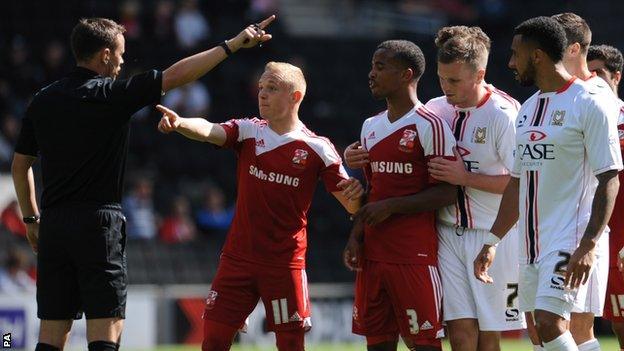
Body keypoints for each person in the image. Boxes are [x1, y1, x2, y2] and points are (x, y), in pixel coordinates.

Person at [11, 15, 276, 351]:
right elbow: (177, 75)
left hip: (54, 226)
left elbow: (21, 167)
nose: (123, 61)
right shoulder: (113, 94)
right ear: (105, 54)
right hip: (97, 224)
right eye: (120, 53)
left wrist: (32, 220)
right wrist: (232, 45)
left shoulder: (42, 100)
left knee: (50, 334)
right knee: (106, 331)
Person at [156, 61, 364, 351]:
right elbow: (208, 129)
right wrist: (181, 123)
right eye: (261, 88)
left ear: (295, 97)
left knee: (291, 345)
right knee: (213, 342)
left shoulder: (317, 148)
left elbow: (353, 204)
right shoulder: (248, 131)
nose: (262, 94)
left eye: (272, 88)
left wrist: (358, 193)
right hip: (237, 260)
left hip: (284, 263)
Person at [474, 16, 622, 351]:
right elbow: (516, 182)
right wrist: (493, 240)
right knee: (540, 335)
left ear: (537, 55)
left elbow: (609, 177)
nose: (511, 63)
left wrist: (588, 245)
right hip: (531, 245)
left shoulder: (589, 103)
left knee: (550, 322)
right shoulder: (527, 110)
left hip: (570, 238)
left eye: (516, 54)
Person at [342, 40, 457, 351]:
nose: (371, 74)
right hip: (374, 254)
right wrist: (356, 235)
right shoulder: (370, 126)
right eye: (372, 66)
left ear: (406, 74)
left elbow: (448, 191)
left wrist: (393, 207)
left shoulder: (431, 124)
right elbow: (372, 191)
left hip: (413, 255)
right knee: (377, 344)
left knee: (424, 344)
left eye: (381, 67)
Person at [520, 13, 621, 351]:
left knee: (567, 323)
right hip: (538, 234)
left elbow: (609, 174)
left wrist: (591, 243)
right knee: (545, 328)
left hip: (582, 229)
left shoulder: (595, 96)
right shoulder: (533, 104)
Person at [424, 26, 525, 350]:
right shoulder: (435, 108)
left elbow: (521, 184)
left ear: (479, 73)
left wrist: (465, 177)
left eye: (454, 80)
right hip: (447, 232)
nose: (445, 87)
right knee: (461, 332)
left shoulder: (504, 114)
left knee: (489, 333)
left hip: (493, 235)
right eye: (441, 78)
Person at [587, 44, 624, 351]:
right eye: (588, 73)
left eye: (599, 72)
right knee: (614, 323)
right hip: (596, 237)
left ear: (617, 77)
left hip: (623, 237)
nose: (593, 79)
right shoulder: (581, 118)